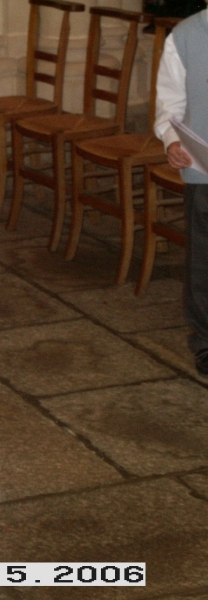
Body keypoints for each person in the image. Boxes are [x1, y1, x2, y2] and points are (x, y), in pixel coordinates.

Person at [154, 6, 208, 377]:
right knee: (204, 260)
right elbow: (169, 103)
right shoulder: (186, 36)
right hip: (204, 167)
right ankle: (206, 340)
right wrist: (172, 140)